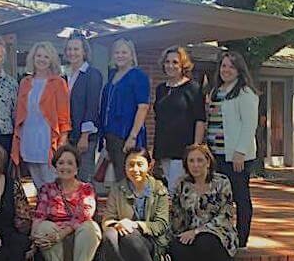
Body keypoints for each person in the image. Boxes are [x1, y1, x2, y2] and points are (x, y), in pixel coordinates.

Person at [202, 50, 259, 247]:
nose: (226, 70)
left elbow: (249, 124)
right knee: (220, 198)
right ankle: (222, 234)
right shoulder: (216, 91)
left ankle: (242, 238)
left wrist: (240, 152)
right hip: (215, 154)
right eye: (224, 66)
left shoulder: (244, 92)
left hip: (235, 156)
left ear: (239, 70)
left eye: (231, 67)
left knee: (240, 196)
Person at [31, 144, 102, 261]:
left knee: (90, 227)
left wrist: (61, 234)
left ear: (77, 168)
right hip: (53, 243)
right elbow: (39, 215)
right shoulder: (47, 189)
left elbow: (83, 215)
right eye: (61, 163)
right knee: (44, 227)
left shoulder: (86, 189)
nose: (65, 167)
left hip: (78, 241)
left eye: (70, 163)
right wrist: (34, 237)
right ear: (55, 167)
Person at [170, 143, 244, 261]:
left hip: (219, 231)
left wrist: (197, 231)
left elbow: (225, 215)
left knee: (205, 241)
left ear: (208, 162)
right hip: (190, 233)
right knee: (176, 247)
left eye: (200, 160)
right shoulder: (181, 184)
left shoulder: (222, 182)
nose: (195, 165)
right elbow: (177, 215)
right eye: (191, 161)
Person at [102, 147, 170, 261]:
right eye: (130, 165)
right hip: (122, 238)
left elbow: (161, 225)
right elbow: (107, 220)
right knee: (110, 235)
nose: (135, 169)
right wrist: (118, 224)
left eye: (140, 164)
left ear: (149, 165)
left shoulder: (159, 189)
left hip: (151, 242)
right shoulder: (117, 189)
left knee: (130, 235)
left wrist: (136, 225)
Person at [11, 41, 71, 189]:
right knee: (37, 183)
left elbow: (64, 116)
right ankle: (42, 210)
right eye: (39, 56)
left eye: (46, 56)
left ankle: (55, 211)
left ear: (51, 60)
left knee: (52, 183)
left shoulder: (58, 82)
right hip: (29, 138)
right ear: (33, 58)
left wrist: (62, 142)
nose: (42, 59)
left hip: (48, 140)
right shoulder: (25, 82)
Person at [153, 46, 206, 193]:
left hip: (183, 149)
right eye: (167, 62)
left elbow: (200, 119)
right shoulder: (161, 89)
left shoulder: (193, 88)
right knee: (169, 190)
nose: (171, 65)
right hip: (164, 149)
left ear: (183, 65)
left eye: (175, 62)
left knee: (177, 189)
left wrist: (196, 147)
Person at [99, 38, 150, 181]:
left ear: (131, 55)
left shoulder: (138, 76)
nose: (120, 55)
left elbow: (143, 107)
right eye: (117, 52)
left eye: (124, 52)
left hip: (127, 135)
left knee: (129, 177)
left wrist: (133, 136)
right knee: (117, 179)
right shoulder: (112, 75)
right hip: (111, 135)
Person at [65, 32, 103, 182]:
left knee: (84, 180)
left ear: (84, 52)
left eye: (76, 49)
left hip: (84, 137)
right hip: (68, 135)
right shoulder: (65, 75)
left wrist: (84, 136)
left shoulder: (92, 74)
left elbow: (92, 107)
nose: (72, 53)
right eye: (69, 49)